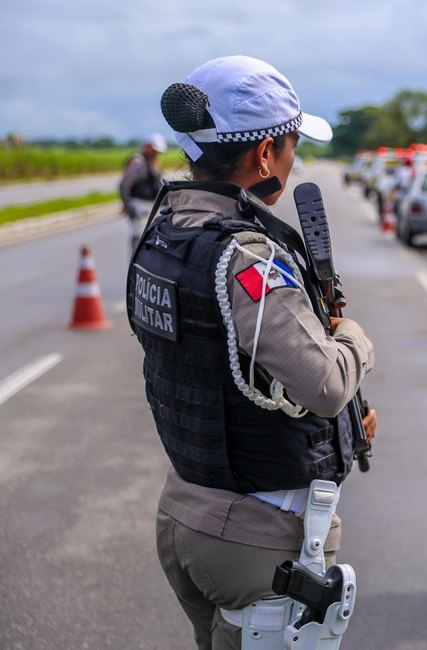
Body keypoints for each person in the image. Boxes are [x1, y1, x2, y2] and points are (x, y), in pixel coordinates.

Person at [127, 55, 377, 650]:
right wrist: (354, 340)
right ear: (265, 153)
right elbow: (325, 384)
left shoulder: (165, 233)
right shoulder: (247, 257)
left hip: (186, 511)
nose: (292, 160)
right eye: (291, 145)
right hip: (258, 539)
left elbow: (210, 361)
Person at [119, 132, 167, 251]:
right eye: (154, 150)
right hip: (139, 207)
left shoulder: (151, 161)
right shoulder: (138, 161)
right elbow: (125, 184)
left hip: (150, 208)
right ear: (147, 146)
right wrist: (128, 207)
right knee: (139, 241)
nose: (156, 153)